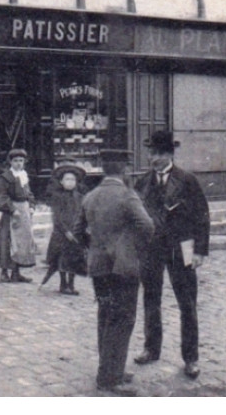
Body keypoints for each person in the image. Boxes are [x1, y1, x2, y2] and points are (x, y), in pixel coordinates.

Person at [75, 148, 153, 396]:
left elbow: (78, 232)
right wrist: (132, 248)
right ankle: (110, 378)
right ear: (124, 169)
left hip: (98, 268)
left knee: (106, 315)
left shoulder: (90, 196)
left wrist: (96, 249)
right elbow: (147, 226)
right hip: (123, 268)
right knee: (122, 319)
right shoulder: (127, 196)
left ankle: (111, 369)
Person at [133, 131, 210, 379]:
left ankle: (191, 358)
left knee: (187, 303)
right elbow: (135, 219)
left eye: (160, 154)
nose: (155, 158)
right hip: (152, 249)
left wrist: (199, 250)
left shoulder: (187, 180)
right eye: (152, 153)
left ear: (170, 154)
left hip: (182, 247)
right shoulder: (142, 183)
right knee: (151, 300)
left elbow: (202, 217)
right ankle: (151, 349)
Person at [0, 148, 37, 283]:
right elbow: (2, 196)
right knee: (7, 241)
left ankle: (16, 272)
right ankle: (4, 272)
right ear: (10, 162)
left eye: (21, 161)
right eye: (15, 161)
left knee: (22, 242)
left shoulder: (24, 175)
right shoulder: (6, 177)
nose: (18, 163)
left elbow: (29, 193)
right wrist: (12, 209)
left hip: (24, 211)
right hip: (11, 213)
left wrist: (32, 205)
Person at [42, 162, 86, 295]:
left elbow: (83, 214)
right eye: (67, 179)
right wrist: (65, 231)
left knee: (73, 259)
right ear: (61, 182)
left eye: (73, 179)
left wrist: (80, 230)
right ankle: (63, 283)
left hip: (76, 233)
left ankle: (71, 284)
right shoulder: (57, 197)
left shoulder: (80, 197)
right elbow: (57, 217)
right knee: (61, 259)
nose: (70, 182)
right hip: (61, 234)